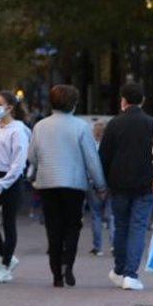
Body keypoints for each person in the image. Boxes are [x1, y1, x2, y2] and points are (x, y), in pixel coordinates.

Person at [27, 85, 107, 287]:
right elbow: (91, 159)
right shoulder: (81, 127)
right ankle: (67, 265)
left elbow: (32, 157)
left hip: (47, 182)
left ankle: (56, 274)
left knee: (53, 227)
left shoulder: (40, 126)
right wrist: (101, 185)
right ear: (73, 103)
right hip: (74, 183)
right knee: (73, 225)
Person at [99, 83, 153, 291]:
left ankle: (119, 269)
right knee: (138, 228)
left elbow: (104, 156)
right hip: (145, 185)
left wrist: (104, 183)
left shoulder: (114, 124)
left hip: (119, 185)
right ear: (142, 100)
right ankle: (131, 274)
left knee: (121, 227)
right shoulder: (152, 124)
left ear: (123, 100)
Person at [0, 91, 30, 284]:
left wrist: (1, 185)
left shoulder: (18, 130)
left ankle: (5, 265)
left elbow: (18, 162)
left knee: (9, 222)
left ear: (10, 107)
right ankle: (8, 256)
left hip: (10, 178)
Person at [86, 120, 113, 255]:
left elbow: (89, 166)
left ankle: (98, 247)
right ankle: (114, 245)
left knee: (95, 215)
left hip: (93, 183)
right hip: (109, 184)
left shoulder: (90, 146)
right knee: (111, 216)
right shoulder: (110, 146)